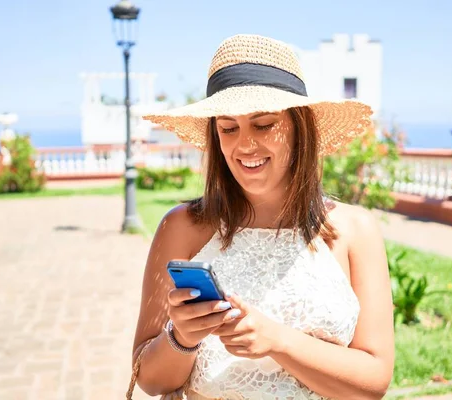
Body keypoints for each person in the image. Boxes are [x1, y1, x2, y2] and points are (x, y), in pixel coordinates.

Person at [131, 34, 394, 399]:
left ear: (299, 127)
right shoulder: (181, 227)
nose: (245, 144)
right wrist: (182, 337)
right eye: (228, 128)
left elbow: (374, 381)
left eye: (264, 124)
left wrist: (278, 341)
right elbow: (149, 379)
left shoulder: (354, 230)